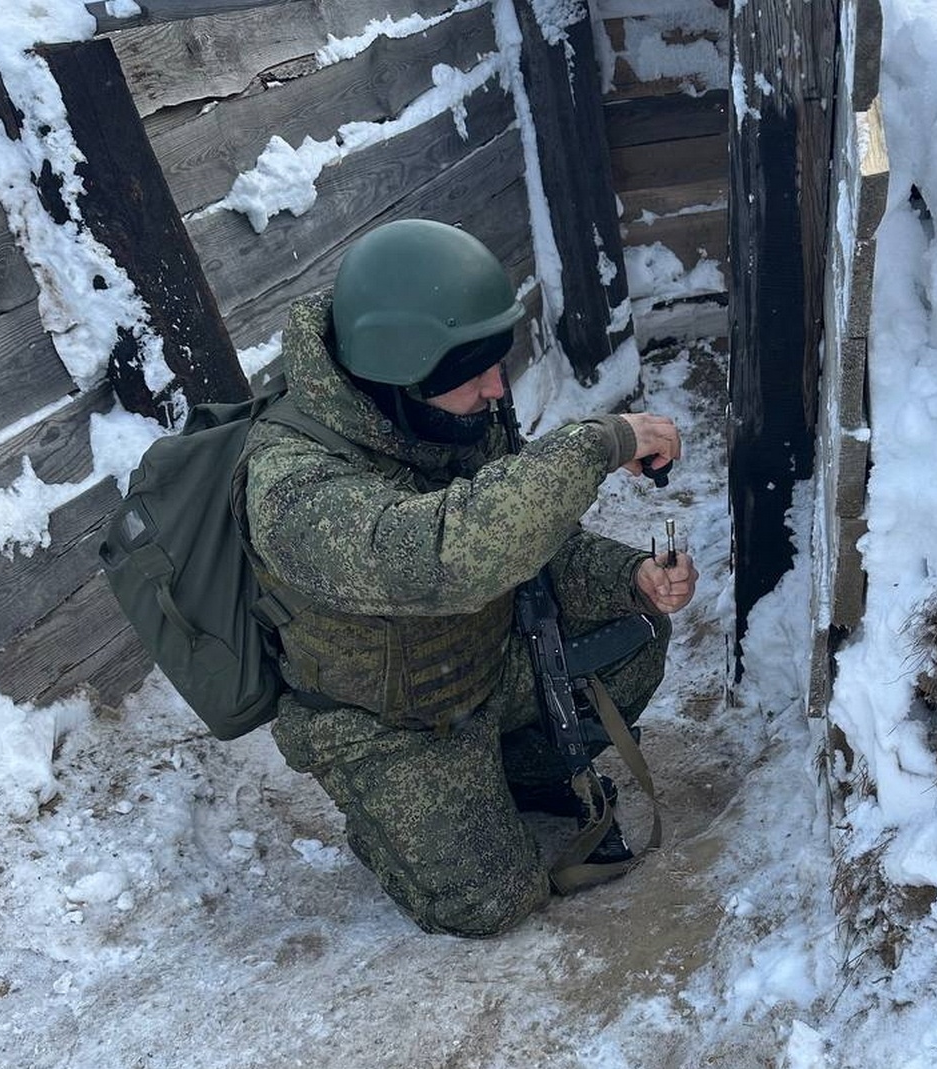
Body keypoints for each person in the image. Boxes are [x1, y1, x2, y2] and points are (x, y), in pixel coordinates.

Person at [239, 219, 699, 937]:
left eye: (498, 361)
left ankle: (512, 773)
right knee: (496, 900)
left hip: (482, 660)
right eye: (472, 370)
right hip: (391, 721)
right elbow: (450, 554)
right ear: (400, 368)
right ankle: (391, 816)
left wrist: (632, 576)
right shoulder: (292, 484)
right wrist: (600, 443)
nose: (496, 388)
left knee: (632, 630)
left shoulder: (445, 411)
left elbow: (530, 547)